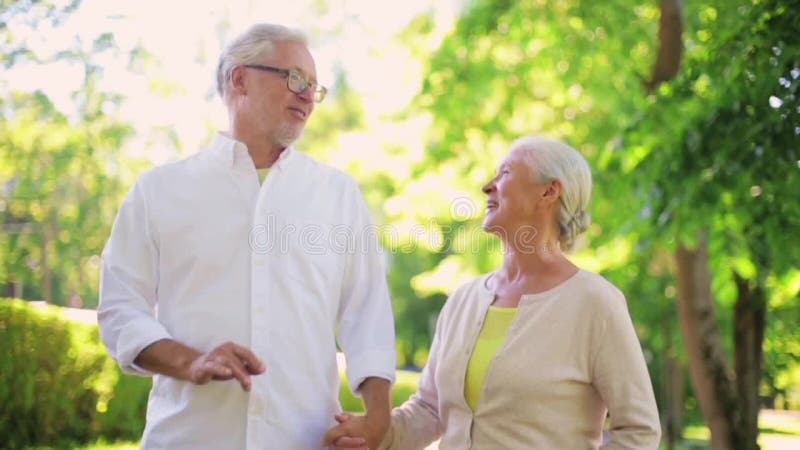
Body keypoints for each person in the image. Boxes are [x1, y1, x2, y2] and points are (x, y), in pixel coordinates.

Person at [98, 23, 396, 450]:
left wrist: (378, 418)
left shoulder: (337, 194)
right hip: (187, 439)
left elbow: (367, 314)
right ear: (240, 79)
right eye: (295, 78)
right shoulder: (158, 191)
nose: (308, 95)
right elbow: (120, 308)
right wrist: (191, 361)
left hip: (305, 441)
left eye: (314, 86)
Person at [329, 136, 661, 449]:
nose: (487, 186)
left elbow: (639, 430)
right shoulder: (464, 299)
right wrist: (375, 434)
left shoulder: (594, 303)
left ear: (549, 192)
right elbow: (430, 410)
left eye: (504, 173)